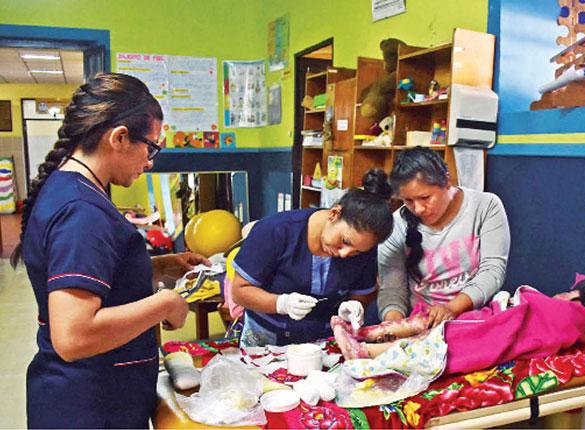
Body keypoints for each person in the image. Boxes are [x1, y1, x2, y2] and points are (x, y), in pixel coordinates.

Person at [10, 73, 209, 428]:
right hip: (90, 405)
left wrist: (160, 266)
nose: (150, 162)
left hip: (87, 395)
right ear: (119, 138)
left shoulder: (68, 186)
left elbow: (97, 274)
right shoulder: (82, 212)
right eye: (151, 147)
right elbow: (73, 335)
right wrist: (165, 304)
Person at [231, 169, 394, 346]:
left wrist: (353, 307)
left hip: (321, 339)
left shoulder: (366, 250)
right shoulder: (275, 230)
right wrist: (281, 303)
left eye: (357, 251)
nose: (345, 253)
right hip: (265, 335)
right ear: (334, 214)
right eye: (344, 241)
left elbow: (362, 293)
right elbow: (240, 291)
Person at [378, 146, 511, 327]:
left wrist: (451, 309)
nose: (418, 209)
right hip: (420, 322)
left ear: (446, 181)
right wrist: (395, 326)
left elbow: (493, 270)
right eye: (408, 201)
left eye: (425, 197)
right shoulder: (395, 226)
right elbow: (392, 290)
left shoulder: (485, 206)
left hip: (476, 319)